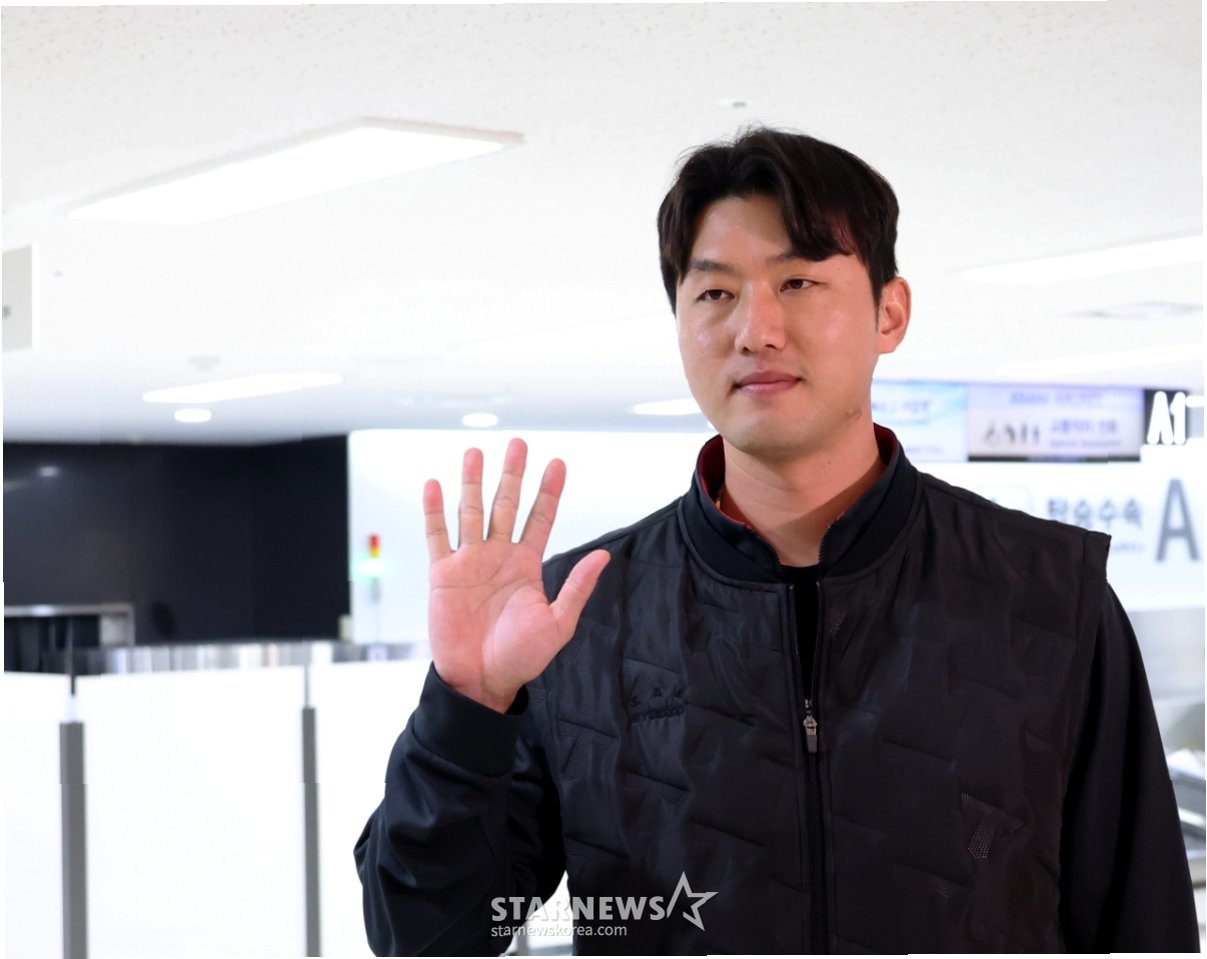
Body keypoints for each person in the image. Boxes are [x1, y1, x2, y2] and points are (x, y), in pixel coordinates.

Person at [355, 127, 1199, 954]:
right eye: (714, 294)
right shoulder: (577, 616)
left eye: (797, 281)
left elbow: (1143, 922)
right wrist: (466, 707)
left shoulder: (1047, 594)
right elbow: (425, 937)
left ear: (889, 312)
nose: (754, 329)